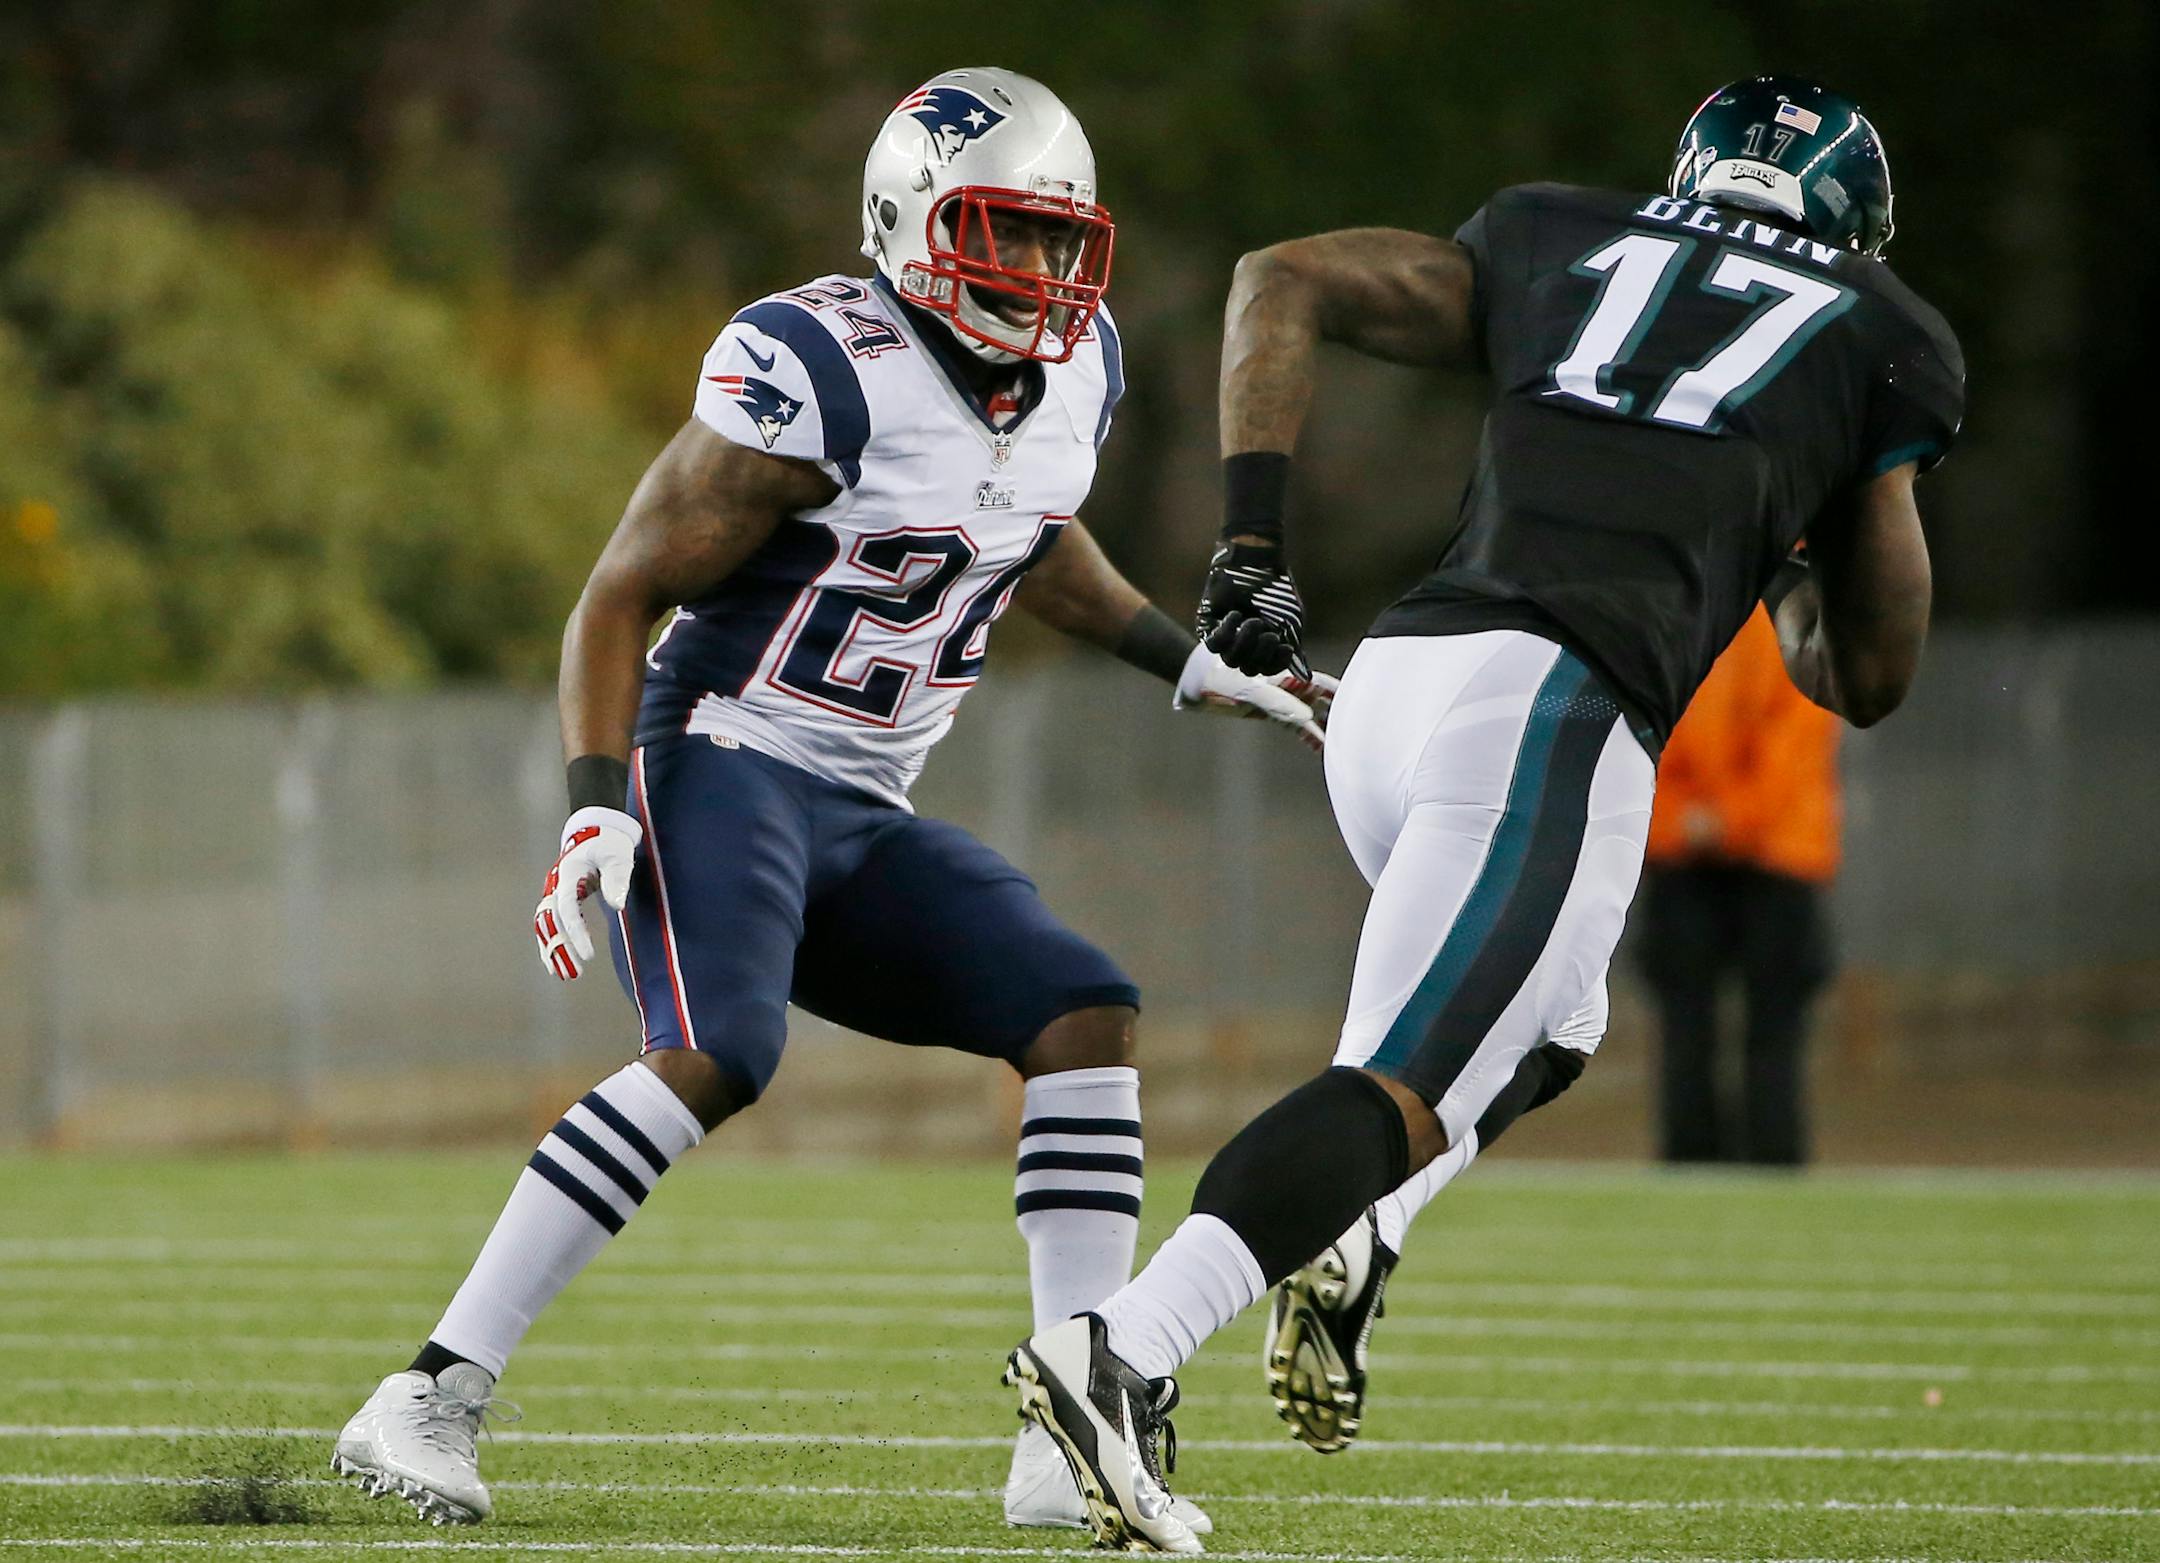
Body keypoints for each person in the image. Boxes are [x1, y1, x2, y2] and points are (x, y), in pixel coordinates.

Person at [329, 67, 1329, 1532]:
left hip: (863, 801)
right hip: (721, 753)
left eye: (1063, 241)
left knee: (1082, 1011)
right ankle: (431, 1387)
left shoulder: (1081, 366)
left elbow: (1026, 535)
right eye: (1009, 231)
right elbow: (620, 590)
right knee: (723, 1046)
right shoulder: (824, 366)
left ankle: (1070, 1418)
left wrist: (1187, 666)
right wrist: (597, 801)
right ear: (913, 221)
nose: (1046, 272)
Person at [1005, 74, 1962, 1553]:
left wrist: (1254, 549)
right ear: (1857, 226)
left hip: (1397, 682)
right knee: (1399, 1089)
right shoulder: (1885, 336)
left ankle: (1365, 1222)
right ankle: (1118, 1346)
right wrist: (1781, 542)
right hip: (1556, 715)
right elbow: (1872, 672)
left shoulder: (1557, 234)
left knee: (1555, 1027)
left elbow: (1283, 279)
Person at [1638, 602, 1843, 1166]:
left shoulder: (1678, 618)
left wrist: (1701, 819)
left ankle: (1742, 1158)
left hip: (1762, 853)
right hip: (1751, 849)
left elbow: (1792, 744)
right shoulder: (1687, 621)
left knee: (1755, 1024)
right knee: (1702, 1023)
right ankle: (1726, 1158)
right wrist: (1713, 820)